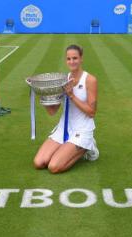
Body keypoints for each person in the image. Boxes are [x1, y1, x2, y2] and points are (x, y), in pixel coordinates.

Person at [33, 44, 99, 174]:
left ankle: (88, 146)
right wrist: (44, 95)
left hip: (82, 130)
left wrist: (72, 96)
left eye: (75, 58)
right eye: (69, 59)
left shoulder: (90, 80)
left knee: (54, 167)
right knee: (39, 163)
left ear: (81, 59)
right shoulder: (63, 79)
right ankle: (69, 148)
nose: (72, 62)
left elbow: (92, 112)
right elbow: (52, 112)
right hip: (63, 129)